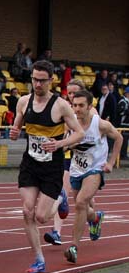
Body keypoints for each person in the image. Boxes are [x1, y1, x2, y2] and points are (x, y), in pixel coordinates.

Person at [9, 60, 84, 273]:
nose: (38, 84)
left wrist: (59, 144)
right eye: (34, 79)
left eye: (42, 80)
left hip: (52, 166)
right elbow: (17, 127)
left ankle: (61, 197)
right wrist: (15, 133)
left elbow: (79, 133)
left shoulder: (61, 106)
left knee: (42, 217)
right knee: (27, 211)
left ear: (51, 81)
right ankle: (39, 259)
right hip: (30, 164)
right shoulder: (23, 102)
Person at [64, 90, 122, 265]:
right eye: (74, 105)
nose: (77, 109)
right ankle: (95, 218)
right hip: (76, 170)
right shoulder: (70, 124)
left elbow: (119, 138)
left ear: (90, 106)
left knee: (81, 202)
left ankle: (73, 247)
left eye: (81, 105)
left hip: (95, 170)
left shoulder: (100, 124)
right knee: (82, 208)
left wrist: (111, 163)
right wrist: (68, 145)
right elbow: (66, 145)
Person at [43, 78, 86, 246]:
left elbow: (88, 136)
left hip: (86, 161)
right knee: (61, 193)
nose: (72, 96)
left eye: (75, 92)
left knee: (86, 202)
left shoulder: (90, 112)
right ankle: (56, 232)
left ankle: (95, 217)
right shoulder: (63, 109)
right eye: (70, 93)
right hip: (67, 158)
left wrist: (71, 143)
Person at [118, 86, 129, 161]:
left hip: (127, 124)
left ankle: (124, 154)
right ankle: (122, 154)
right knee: (124, 140)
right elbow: (120, 112)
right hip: (123, 124)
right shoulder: (122, 101)